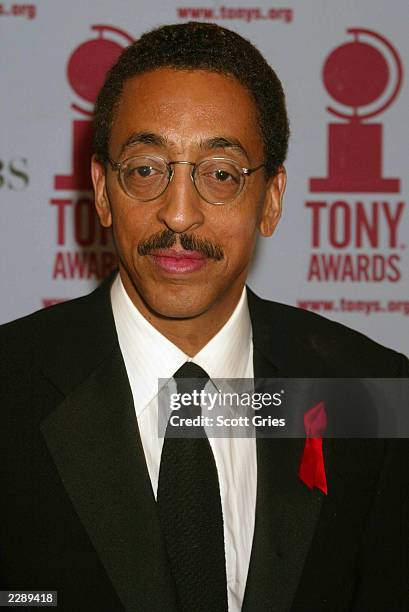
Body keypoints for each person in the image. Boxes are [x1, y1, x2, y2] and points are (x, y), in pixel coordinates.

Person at [1, 22, 408, 612]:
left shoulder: (367, 391)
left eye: (220, 174)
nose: (180, 215)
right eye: (146, 170)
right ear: (103, 190)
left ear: (271, 200)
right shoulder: (9, 386)